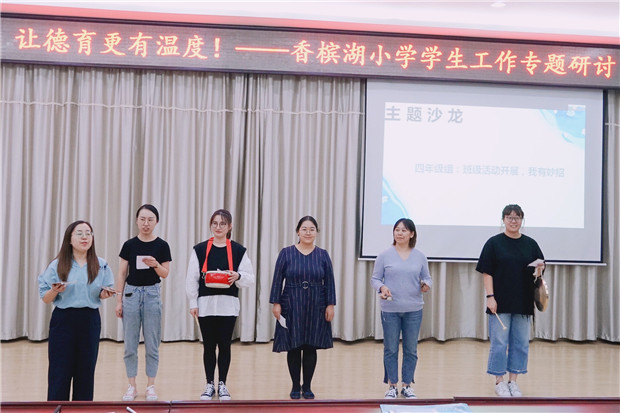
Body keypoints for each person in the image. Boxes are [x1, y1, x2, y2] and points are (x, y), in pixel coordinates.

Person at [38, 220, 115, 401]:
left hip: (89, 320)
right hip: (63, 320)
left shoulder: (101, 264)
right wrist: (54, 290)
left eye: (88, 233)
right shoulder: (57, 265)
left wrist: (105, 294)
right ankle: (57, 409)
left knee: (86, 372)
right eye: (79, 233)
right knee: (59, 371)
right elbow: (45, 298)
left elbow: (103, 292)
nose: (84, 237)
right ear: (69, 239)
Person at [185, 209, 255, 401]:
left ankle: (222, 384)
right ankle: (209, 384)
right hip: (205, 305)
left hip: (228, 305)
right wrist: (193, 302)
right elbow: (191, 278)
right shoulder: (199, 250)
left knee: (225, 345)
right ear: (210, 225)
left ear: (229, 226)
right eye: (215, 223)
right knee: (208, 346)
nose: (218, 227)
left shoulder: (238, 250)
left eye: (223, 224)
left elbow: (249, 278)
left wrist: (238, 276)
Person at [476, 204, 545, 397]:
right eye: (509, 217)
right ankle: (499, 381)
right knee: (499, 343)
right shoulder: (494, 243)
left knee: (520, 343)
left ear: (522, 220)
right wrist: (490, 297)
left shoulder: (530, 244)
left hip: (523, 301)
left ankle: (513, 381)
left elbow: (538, 273)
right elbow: (487, 272)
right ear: (503, 219)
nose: (513, 221)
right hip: (500, 301)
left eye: (517, 217)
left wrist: (539, 270)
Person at [270, 216, 336, 400]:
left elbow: (329, 282)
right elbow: (277, 280)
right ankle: (294, 385)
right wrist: (276, 303)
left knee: (310, 346)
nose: (308, 232)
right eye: (304, 229)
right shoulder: (286, 253)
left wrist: (330, 305)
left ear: (317, 232)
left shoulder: (322, 255)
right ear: (298, 231)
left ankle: (307, 386)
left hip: (316, 304)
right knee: (294, 345)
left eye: (312, 229)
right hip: (291, 303)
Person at [370, 218, 432, 399]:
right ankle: (392, 385)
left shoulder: (420, 256)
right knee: (391, 349)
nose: (399, 233)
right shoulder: (384, 255)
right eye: (397, 230)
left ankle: (406, 385)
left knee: (411, 349)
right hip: (390, 309)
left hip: (414, 309)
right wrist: (382, 287)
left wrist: (426, 285)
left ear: (411, 234)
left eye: (404, 230)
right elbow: (375, 279)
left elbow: (427, 278)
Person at [115, 204, 172, 402]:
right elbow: (122, 273)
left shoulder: (162, 245)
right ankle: (131, 386)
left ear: (156, 222)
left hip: (152, 294)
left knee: (152, 343)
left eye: (150, 219)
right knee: (130, 344)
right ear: (137, 221)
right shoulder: (129, 245)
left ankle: (151, 386)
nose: (146, 223)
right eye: (142, 219)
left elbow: (165, 273)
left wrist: (155, 265)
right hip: (131, 294)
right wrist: (119, 300)